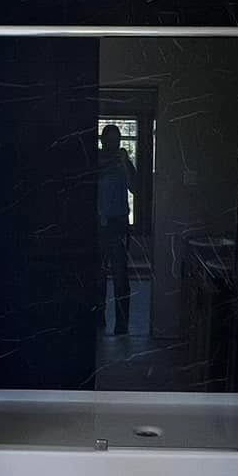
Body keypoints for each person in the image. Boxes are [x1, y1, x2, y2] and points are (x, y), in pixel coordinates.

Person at [95, 124, 137, 337]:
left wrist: (126, 162)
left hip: (119, 224)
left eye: (117, 139)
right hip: (99, 224)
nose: (114, 144)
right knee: (97, 275)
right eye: (110, 140)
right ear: (103, 141)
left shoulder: (123, 162)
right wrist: (112, 161)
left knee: (121, 276)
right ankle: (98, 318)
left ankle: (121, 324)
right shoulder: (97, 160)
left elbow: (135, 187)